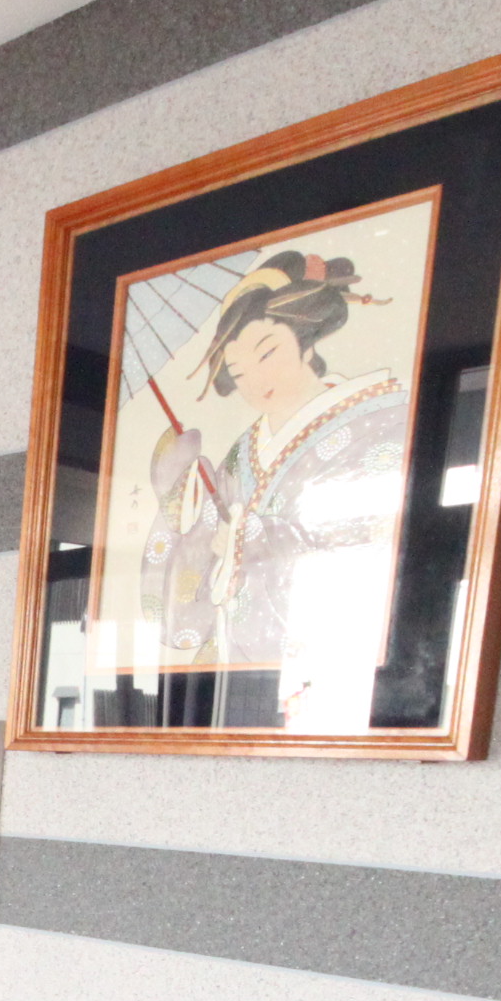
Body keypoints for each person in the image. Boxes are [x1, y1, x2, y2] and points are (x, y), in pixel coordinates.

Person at [136, 250, 413, 730]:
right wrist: (182, 497)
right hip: (242, 680)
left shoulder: (382, 423)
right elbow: (198, 575)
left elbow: (373, 544)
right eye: (240, 372)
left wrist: (252, 537)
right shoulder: (242, 455)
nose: (256, 380)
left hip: (330, 672)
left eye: (267, 353)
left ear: (306, 341)